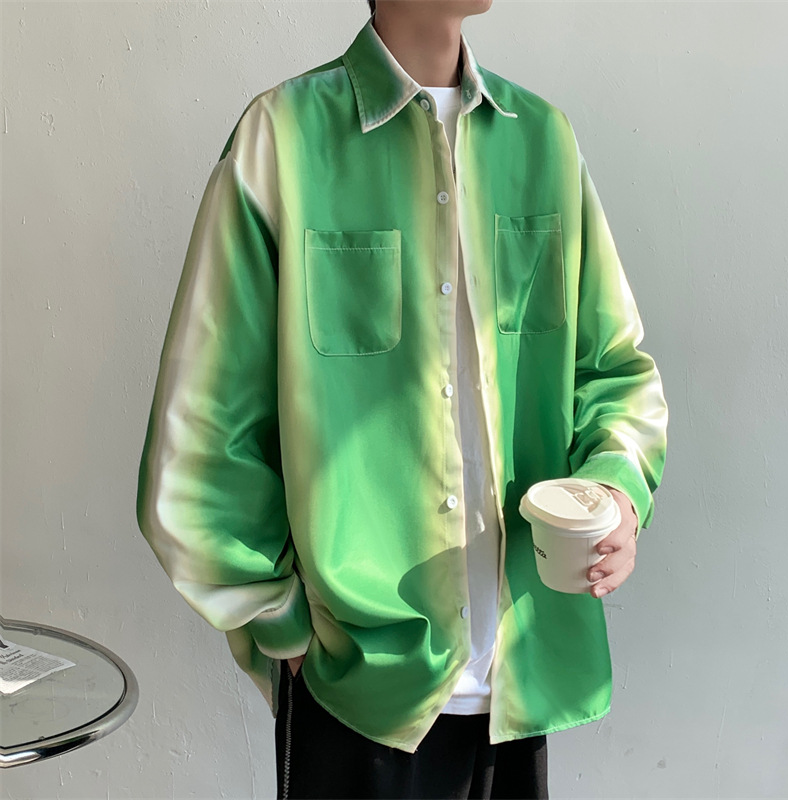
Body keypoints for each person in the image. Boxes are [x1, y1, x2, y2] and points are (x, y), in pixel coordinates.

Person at [136, 0, 669, 797]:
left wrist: (617, 493)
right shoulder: (281, 139)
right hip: (357, 689)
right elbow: (205, 423)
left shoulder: (542, 138)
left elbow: (614, 370)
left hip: (519, 677)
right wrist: (278, 619)